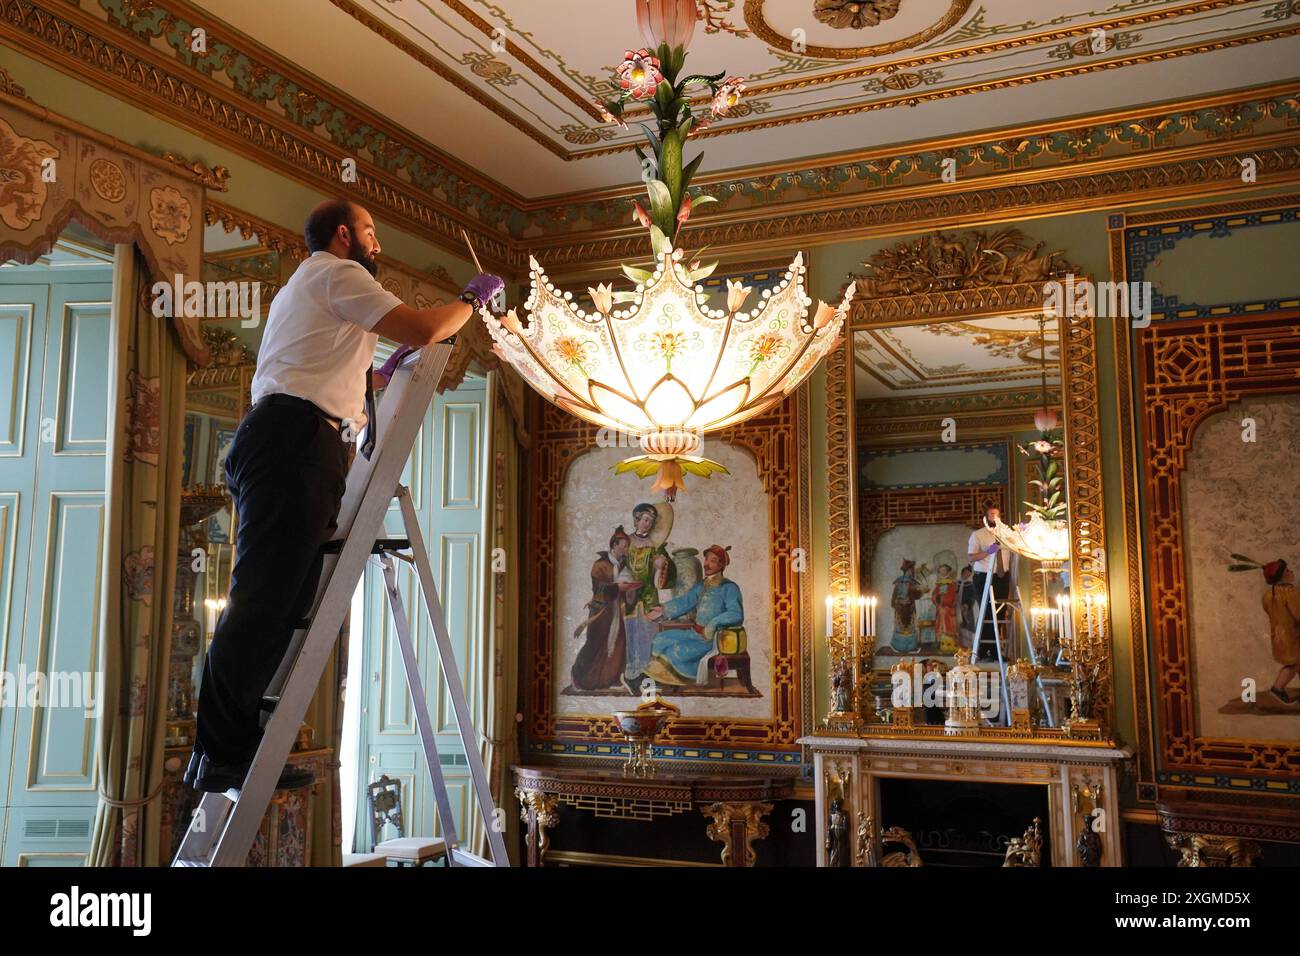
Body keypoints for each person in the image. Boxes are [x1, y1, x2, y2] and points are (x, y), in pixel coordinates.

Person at [185, 199, 504, 795]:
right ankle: (220, 752)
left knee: (282, 599)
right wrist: (471, 300)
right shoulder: (337, 272)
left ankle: (232, 745)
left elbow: (332, 371)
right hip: (292, 444)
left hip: (292, 440)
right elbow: (428, 327)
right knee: (261, 601)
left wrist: (378, 378)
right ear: (342, 236)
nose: (377, 243)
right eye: (370, 232)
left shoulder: (311, 289)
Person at [641, 544, 743, 687]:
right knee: (659, 639)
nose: (706, 564)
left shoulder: (729, 587)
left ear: (721, 565)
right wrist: (662, 610)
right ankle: (661, 678)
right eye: (706, 560)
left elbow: (736, 613)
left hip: (712, 640)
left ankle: (690, 678)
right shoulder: (701, 585)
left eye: (712, 561)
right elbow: (685, 602)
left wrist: (713, 624)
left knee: (675, 652)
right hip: (694, 633)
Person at [570, 527, 638, 690]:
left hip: (617, 609)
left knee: (618, 642)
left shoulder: (623, 566)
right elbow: (598, 588)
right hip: (601, 610)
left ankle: (612, 678)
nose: (625, 550)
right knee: (595, 642)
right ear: (614, 545)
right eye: (623, 546)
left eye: (627, 547)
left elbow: (627, 586)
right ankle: (578, 676)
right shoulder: (600, 565)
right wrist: (617, 588)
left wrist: (631, 590)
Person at [967, 504, 1012, 662]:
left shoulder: (1007, 534)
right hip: (984, 576)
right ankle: (981, 650)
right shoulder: (978, 535)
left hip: (1002, 576)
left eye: (997, 514)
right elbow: (971, 558)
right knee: (986, 612)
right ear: (986, 517)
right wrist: (988, 552)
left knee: (999, 612)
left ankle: (994, 651)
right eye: (992, 514)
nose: (995, 517)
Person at [1261, 559, 1300, 705]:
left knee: (1296, 662)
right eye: (1288, 571)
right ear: (1283, 576)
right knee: (1295, 664)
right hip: (1294, 636)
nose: (1291, 572)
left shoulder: (1268, 595)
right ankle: (1277, 689)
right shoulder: (1291, 593)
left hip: (1279, 637)